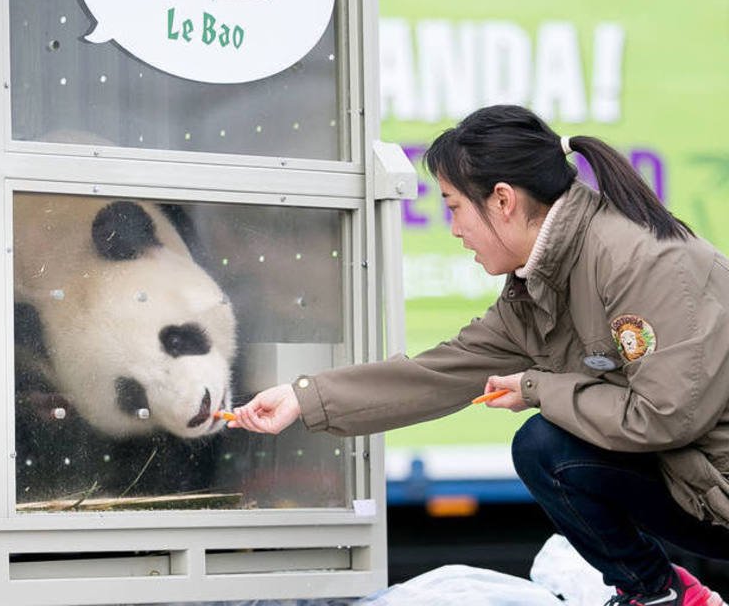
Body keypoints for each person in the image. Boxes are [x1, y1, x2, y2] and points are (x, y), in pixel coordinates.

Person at [230, 104, 729, 606]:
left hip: (718, 492)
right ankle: (659, 595)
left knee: (545, 442)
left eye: (453, 207)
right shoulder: (538, 288)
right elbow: (439, 373)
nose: (453, 229)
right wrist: (303, 398)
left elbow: (666, 416)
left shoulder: (640, 262)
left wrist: (537, 387)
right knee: (545, 449)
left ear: (503, 200)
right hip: (695, 487)